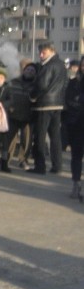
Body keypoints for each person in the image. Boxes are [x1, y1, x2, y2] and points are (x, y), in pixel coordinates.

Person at [29, 43, 68, 175]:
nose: (40, 55)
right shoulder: (62, 65)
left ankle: (40, 166)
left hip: (44, 105)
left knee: (40, 136)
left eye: (43, 52)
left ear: (51, 51)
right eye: (40, 52)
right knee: (55, 136)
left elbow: (41, 84)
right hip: (58, 104)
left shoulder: (48, 66)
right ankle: (57, 166)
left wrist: (32, 97)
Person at [6, 61, 37, 169]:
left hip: (28, 116)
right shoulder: (14, 82)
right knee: (10, 139)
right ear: (23, 71)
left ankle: (23, 160)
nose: (29, 72)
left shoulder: (36, 85)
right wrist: (8, 107)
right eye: (28, 70)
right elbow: (6, 96)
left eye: (32, 71)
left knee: (26, 140)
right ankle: (6, 159)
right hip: (13, 113)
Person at [64, 64, 84, 200]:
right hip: (76, 123)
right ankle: (76, 184)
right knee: (76, 155)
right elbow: (68, 100)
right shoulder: (74, 82)